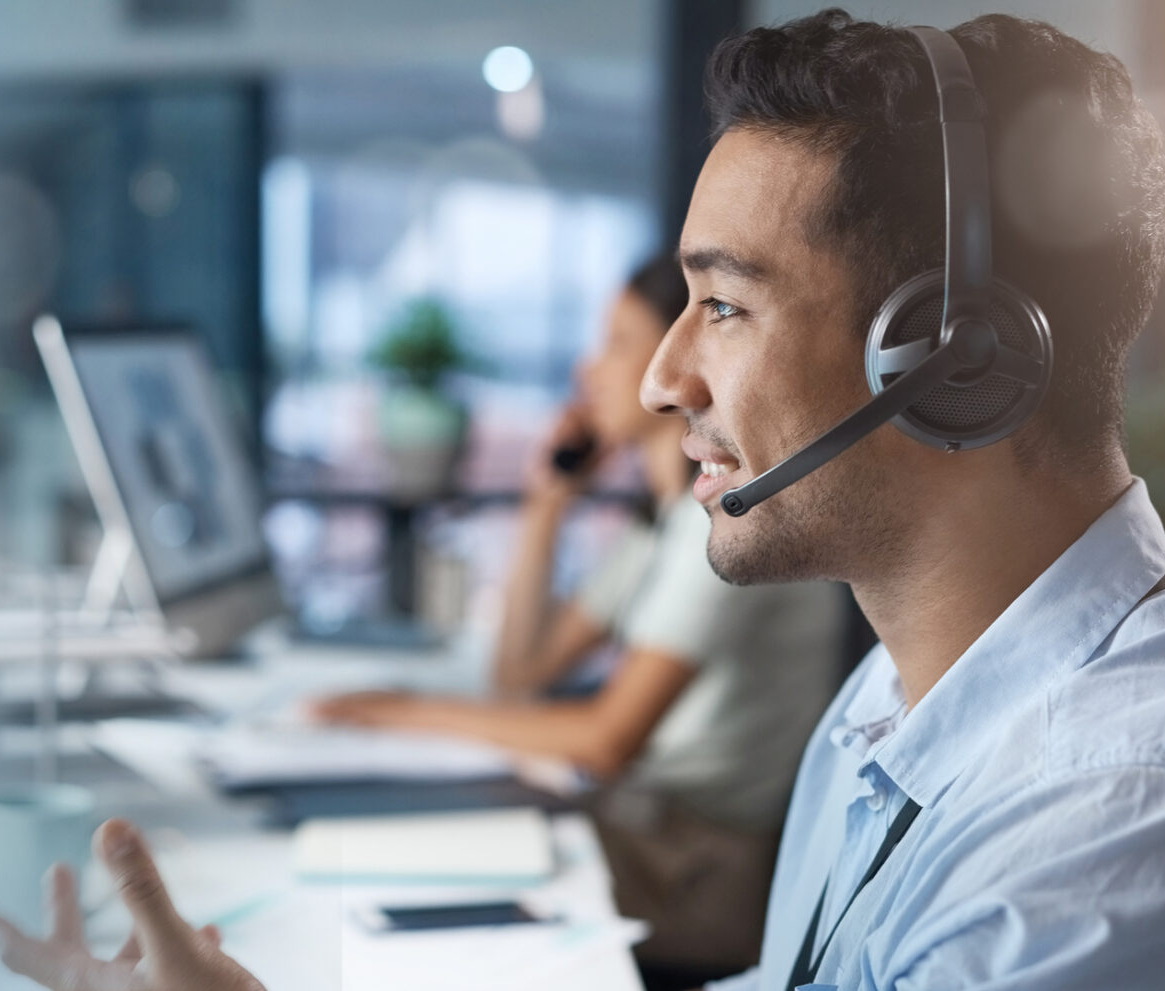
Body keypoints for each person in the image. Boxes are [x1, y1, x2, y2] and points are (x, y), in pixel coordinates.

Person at [0, 11, 1165, 990]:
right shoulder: (899, 711)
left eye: (722, 305)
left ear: (950, 357)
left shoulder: (1152, 830)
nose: (656, 381)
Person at [307, 255, 849, 975]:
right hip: (648, 831)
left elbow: (603, 741)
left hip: (696, 869)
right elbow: (520, 671)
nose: (590, 372)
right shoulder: (661, 523)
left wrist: (397, 710)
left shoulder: (722, 528)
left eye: (619, 343)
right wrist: (548, 502)